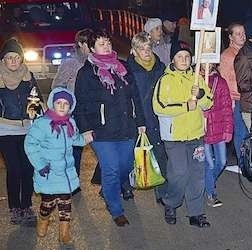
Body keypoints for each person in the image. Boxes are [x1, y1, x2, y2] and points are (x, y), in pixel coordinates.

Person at [74, 30, 145, 227]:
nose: (106, 46)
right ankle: (115, 208)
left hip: (126, 127)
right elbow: (81, 104)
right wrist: (85, 129)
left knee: (127, 166)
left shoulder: (123, 67)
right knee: (112, 168)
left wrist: (140, 121)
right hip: (101, 131)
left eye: (107, 42)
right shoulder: (87, 73)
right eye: (101, 44)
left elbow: (135, 97)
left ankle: (108, 188)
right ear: (92, 48)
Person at [153, 45, 213, 227]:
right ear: (173, 59)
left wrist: (201, 94)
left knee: (197, 175)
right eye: (180, 56)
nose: (184, 60)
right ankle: (171, 202)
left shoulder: (197, 79)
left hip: (195, 135)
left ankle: (195, 212)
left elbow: (208, 103)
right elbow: (159, 107)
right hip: (174, 137)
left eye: (187, 56)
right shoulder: (165, 80)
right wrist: (186, 106)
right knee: (179, 173)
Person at [25, 88, 93, 244]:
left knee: (65, 203)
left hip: (66, 172)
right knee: (47, 203)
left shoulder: (70, 122)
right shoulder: (42, 123)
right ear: (52, 104)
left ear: (70, 106)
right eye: (59, 103)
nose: (62, 106)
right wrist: (40, 165)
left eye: (66, 103)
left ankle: (64, 232)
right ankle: (43, 219)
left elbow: (75, 139)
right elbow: (30, 145)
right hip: (48, 172)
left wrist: (88, 137)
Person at [0, 38, 44, 225]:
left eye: (16, 57)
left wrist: (38, 110)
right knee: (14, 168)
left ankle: (26, 206)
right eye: (9, 58)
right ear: (3, 60)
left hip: (27, 129)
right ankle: (14, 208)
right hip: (4, 130)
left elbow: (37, 99)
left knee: (28, 168)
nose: (13, 61)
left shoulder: (28, 76)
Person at [126, 32, 168, 205]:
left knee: (160, 153)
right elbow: (130, 98)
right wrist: (137, 120)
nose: (146, 52)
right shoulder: (128, 70)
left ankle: (162, 192)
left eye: (148, 48)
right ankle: (126, 186)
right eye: (141, 48)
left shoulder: (160, 66)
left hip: (158, 116)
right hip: (138, 118)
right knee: (134, 155)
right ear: (134, 51)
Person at [52, 28, 93, 176]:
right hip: (75, 113)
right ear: (81, 44)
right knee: (75, 149)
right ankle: (71, 181)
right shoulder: (70, 63)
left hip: (94, 111)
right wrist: (65, 107)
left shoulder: (96, 61)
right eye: (90, 43)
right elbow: (57, 86)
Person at [201, 62, 232, 208]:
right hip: (203, 130)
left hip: (219, 128)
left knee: (222, 162)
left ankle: (206, 182)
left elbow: (226, 107)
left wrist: (228, 129)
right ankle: (210, 193)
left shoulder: (221, 82)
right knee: (210, 164)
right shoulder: (194, 81)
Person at [219, 23, 248, 163]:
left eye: (243, 33)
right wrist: (229, 102)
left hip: (247, 98)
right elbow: (225, 81)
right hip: (236, 99)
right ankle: (243, 164)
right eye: (238, 33)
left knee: (247, 133)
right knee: (241, 133)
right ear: (230, 37)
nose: (242, 36)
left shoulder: (245, 52)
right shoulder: (228, 56)